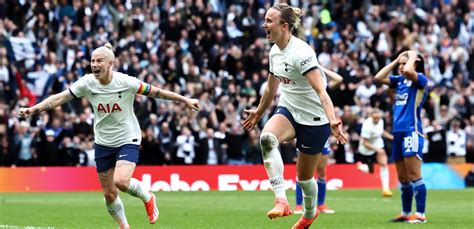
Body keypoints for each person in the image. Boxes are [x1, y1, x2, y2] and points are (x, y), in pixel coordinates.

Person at [19, 43, 200, 229]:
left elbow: (157, 92)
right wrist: (34, 109)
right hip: (103, 141)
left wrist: (185, 100)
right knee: (109, 194)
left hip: (127, 138)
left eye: (99, 61)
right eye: (92, 61)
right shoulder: (87, 82)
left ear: (110, 63)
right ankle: (124, 227)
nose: (94, 64)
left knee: (121, 181)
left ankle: (148, 197)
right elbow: (60, 97)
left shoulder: (126, 82)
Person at [242, 4, 347, 228]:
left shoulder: (302, 53)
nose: (264, 25)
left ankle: (309, 215)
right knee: (267, 139)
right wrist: (259, 112)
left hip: (315, 119)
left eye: (269, 21)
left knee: (305, 178)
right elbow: (271, 90)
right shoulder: (274, 52)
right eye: (265, 20)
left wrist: (333, 121)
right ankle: (281, 200)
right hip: (289, 109)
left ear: (284, 25)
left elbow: (321, 91)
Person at [374, 50, 428, 223]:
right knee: (403, 177)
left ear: (416, 63)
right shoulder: (400, 81)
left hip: (411, 131)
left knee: (414, 175)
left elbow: (410, 72)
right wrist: (397, 59)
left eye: (404, 64)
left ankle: (420, 215)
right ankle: (406, 212)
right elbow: (378, 77)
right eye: (400, 65)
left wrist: (412, 56)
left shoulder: (420, 79)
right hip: (398, 133)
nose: (401, 67)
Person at [294, 67, 343, 215]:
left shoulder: (322, 86)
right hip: (306, 128)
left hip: (322, 129)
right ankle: (298, 204)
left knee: (321, 172)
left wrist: (320, 68)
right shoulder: (303, 86)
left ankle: (321, 204)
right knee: (302, 172)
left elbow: (339, 79)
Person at [356, 108, 394, 197]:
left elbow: (381, 131)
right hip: (366, 149)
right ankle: (361, 166)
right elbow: (365, 142)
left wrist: (391, 137)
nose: (377, 119)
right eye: (375, 118)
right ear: (371, 117)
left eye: (378, 117)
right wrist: (377, 150)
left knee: (384, 164)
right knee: (371, 170)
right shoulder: (367, 126)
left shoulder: (381, 121)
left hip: (377, 143)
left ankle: (386, 189)